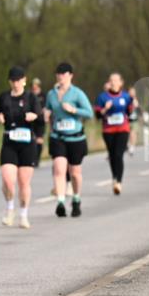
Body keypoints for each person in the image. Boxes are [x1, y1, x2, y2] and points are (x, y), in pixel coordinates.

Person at [44, 62, 94, 218]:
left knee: (75, 172)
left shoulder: (77, 93)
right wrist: (46, 113)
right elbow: (48, 108)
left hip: (76, 137)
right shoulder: (51, 94)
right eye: (58, 73)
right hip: (57, 136)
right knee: (59, 169)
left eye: (64, 73)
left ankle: (77, 198)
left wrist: (74, 110)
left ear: (71, 75)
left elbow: (89, 113)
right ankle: (60, 202)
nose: (61, 76)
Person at [0, 66, 42, 229]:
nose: (16, 84)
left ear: (24, 80)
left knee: (23, 182)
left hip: (27, 142)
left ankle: (23, 214)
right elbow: (0, 113)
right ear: (10, 81)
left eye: (19, 80)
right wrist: (0, 117)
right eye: (13, 80)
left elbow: (39, 115)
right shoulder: (4, 97)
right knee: (8, 180)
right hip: (9, 141)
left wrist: (33, 116)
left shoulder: (31, 97)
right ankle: (9, 209)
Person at [94, 73, 136, 194]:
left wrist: (133, 106)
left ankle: (119, 182)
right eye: (111, 80)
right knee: (112, 155)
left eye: (116, 80)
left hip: (123, 129)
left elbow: (130, 114)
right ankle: (114, 177)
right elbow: (97, 116)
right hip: (108, 130)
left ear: (121, 83)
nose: (113, 82)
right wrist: (105, 109)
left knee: (118, 154)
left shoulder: (126, 97)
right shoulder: (102, 97)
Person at [30, 77, 47, 168]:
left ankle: (37, 159)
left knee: (39, 140)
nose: (34, 87)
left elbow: (47, 106)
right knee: (32, 140)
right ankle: (32, 158)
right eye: (33, 85)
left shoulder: (43, 95)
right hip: (32, 120)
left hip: (40, 120)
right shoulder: (29, 95)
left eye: (36, 85)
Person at [126, 86, 140, 155]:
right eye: (131, 91)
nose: (132, 93)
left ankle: (132, 147)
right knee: (127, 134)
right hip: (127, 119)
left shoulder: (136, 100)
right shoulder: (126, 99)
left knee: (133, 133)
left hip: (134, 119)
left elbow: (138, 108)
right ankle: (128, 144)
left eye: (133, 92)